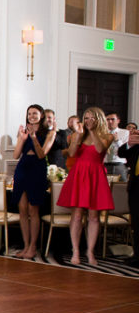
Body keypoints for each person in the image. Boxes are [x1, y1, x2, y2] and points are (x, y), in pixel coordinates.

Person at [57, 107, 114, 266]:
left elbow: (99, 149)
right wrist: (78, 136)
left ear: (99, 120)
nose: (88, 121)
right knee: (76, 215)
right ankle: (75, 250)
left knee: (94, 217)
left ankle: (90, 251)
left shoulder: (107, 136)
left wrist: (92, 132)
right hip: (79, 175)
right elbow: (72, 153)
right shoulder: (77, 135)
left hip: (96, 175)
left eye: (92, 118)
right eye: (86, 118)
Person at [12, 105, 56, 259]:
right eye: (29, 113)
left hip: (37, 169)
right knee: (22, 209)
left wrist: (34, 138)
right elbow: (16, 154)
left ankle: (33, 246)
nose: (31, 116)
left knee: (33, 209)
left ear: (41, 115)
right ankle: (25, 245)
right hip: (22, 169)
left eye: (35, 114)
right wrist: (22, 139)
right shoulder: (23, 131)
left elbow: (41, 154)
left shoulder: (50, 133)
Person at [118, 128, 139, 267]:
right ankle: (137, 256)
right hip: (136, 188)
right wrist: (129, 144)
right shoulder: (137, 139)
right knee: (136, 223)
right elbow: (121, 152)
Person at [104, 112, 129, 180]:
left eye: (112, 119)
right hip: (105, 164)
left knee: (120, 187)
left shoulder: (125, 132)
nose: (110, 121)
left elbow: (126, 149)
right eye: (107, 119)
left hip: (119, 163)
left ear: (118, 120)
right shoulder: (102, 133)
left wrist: (117, 140)